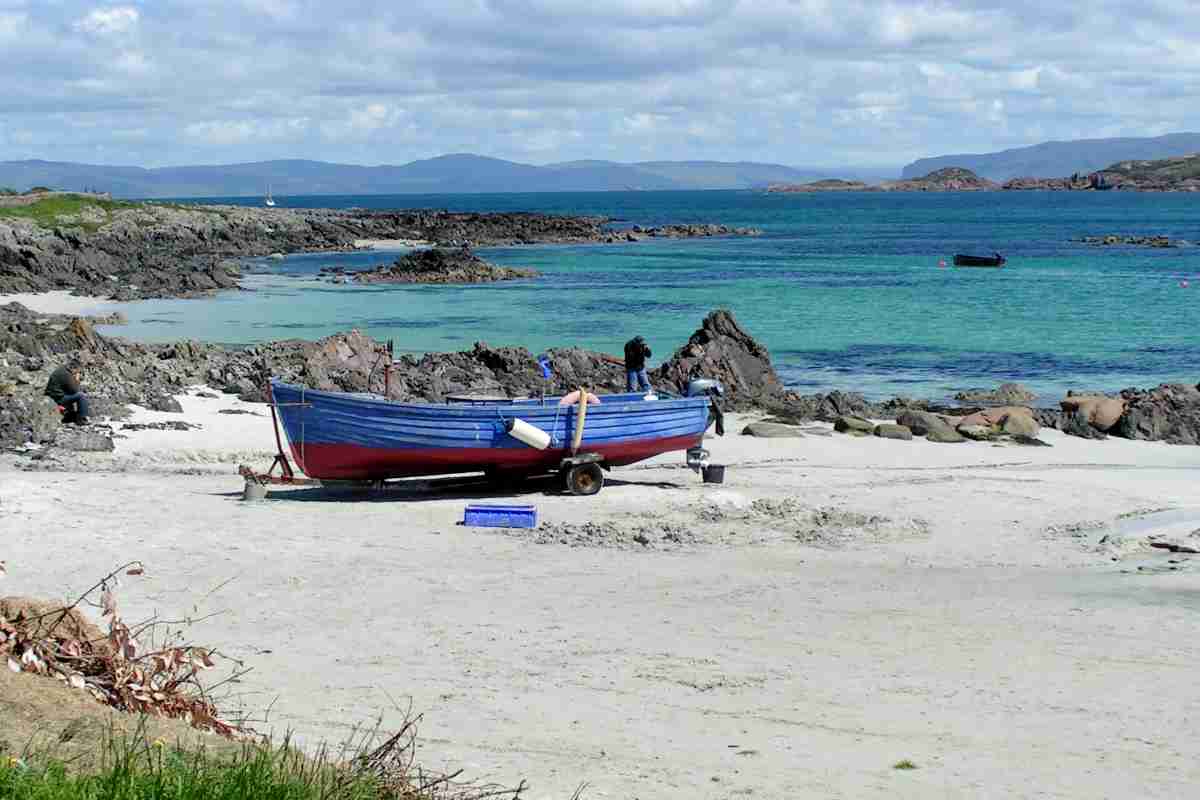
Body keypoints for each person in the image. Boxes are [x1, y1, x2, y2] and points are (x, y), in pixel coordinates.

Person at [45, 359, 89, 425]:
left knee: (74, 394)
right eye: (77, 371)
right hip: (57, 398)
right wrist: (76, 380)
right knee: (81, 396)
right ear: (73, 368)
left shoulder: (63, 369)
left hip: (54, 395)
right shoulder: (66, 374)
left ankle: (71, 416)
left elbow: (69, 388)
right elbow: (74, 390)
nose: (77, 373)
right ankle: (81, 419)